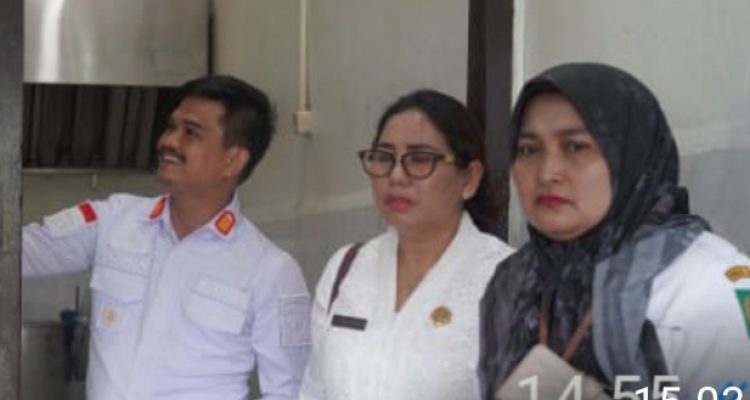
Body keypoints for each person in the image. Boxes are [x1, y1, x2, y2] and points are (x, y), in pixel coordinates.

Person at [22, 75, 311, 399]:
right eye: (171, 126)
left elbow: (290, 392)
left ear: (232, 160)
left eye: (191, 132)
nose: (169, 141)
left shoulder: (269, 270)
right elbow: (18, 253)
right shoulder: (112, 221)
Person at [479, 63, 750, 399]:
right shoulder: (513, 283)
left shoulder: (709, 288)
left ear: (630, 155)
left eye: (575, 147)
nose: (547, 172)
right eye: (529, 149)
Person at [299, 89, 514, 400]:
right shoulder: (346, 267)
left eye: (420, 159)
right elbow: (313, 390)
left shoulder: (508, 279)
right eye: (384, 158)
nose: (397, 176)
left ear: (469, 179)